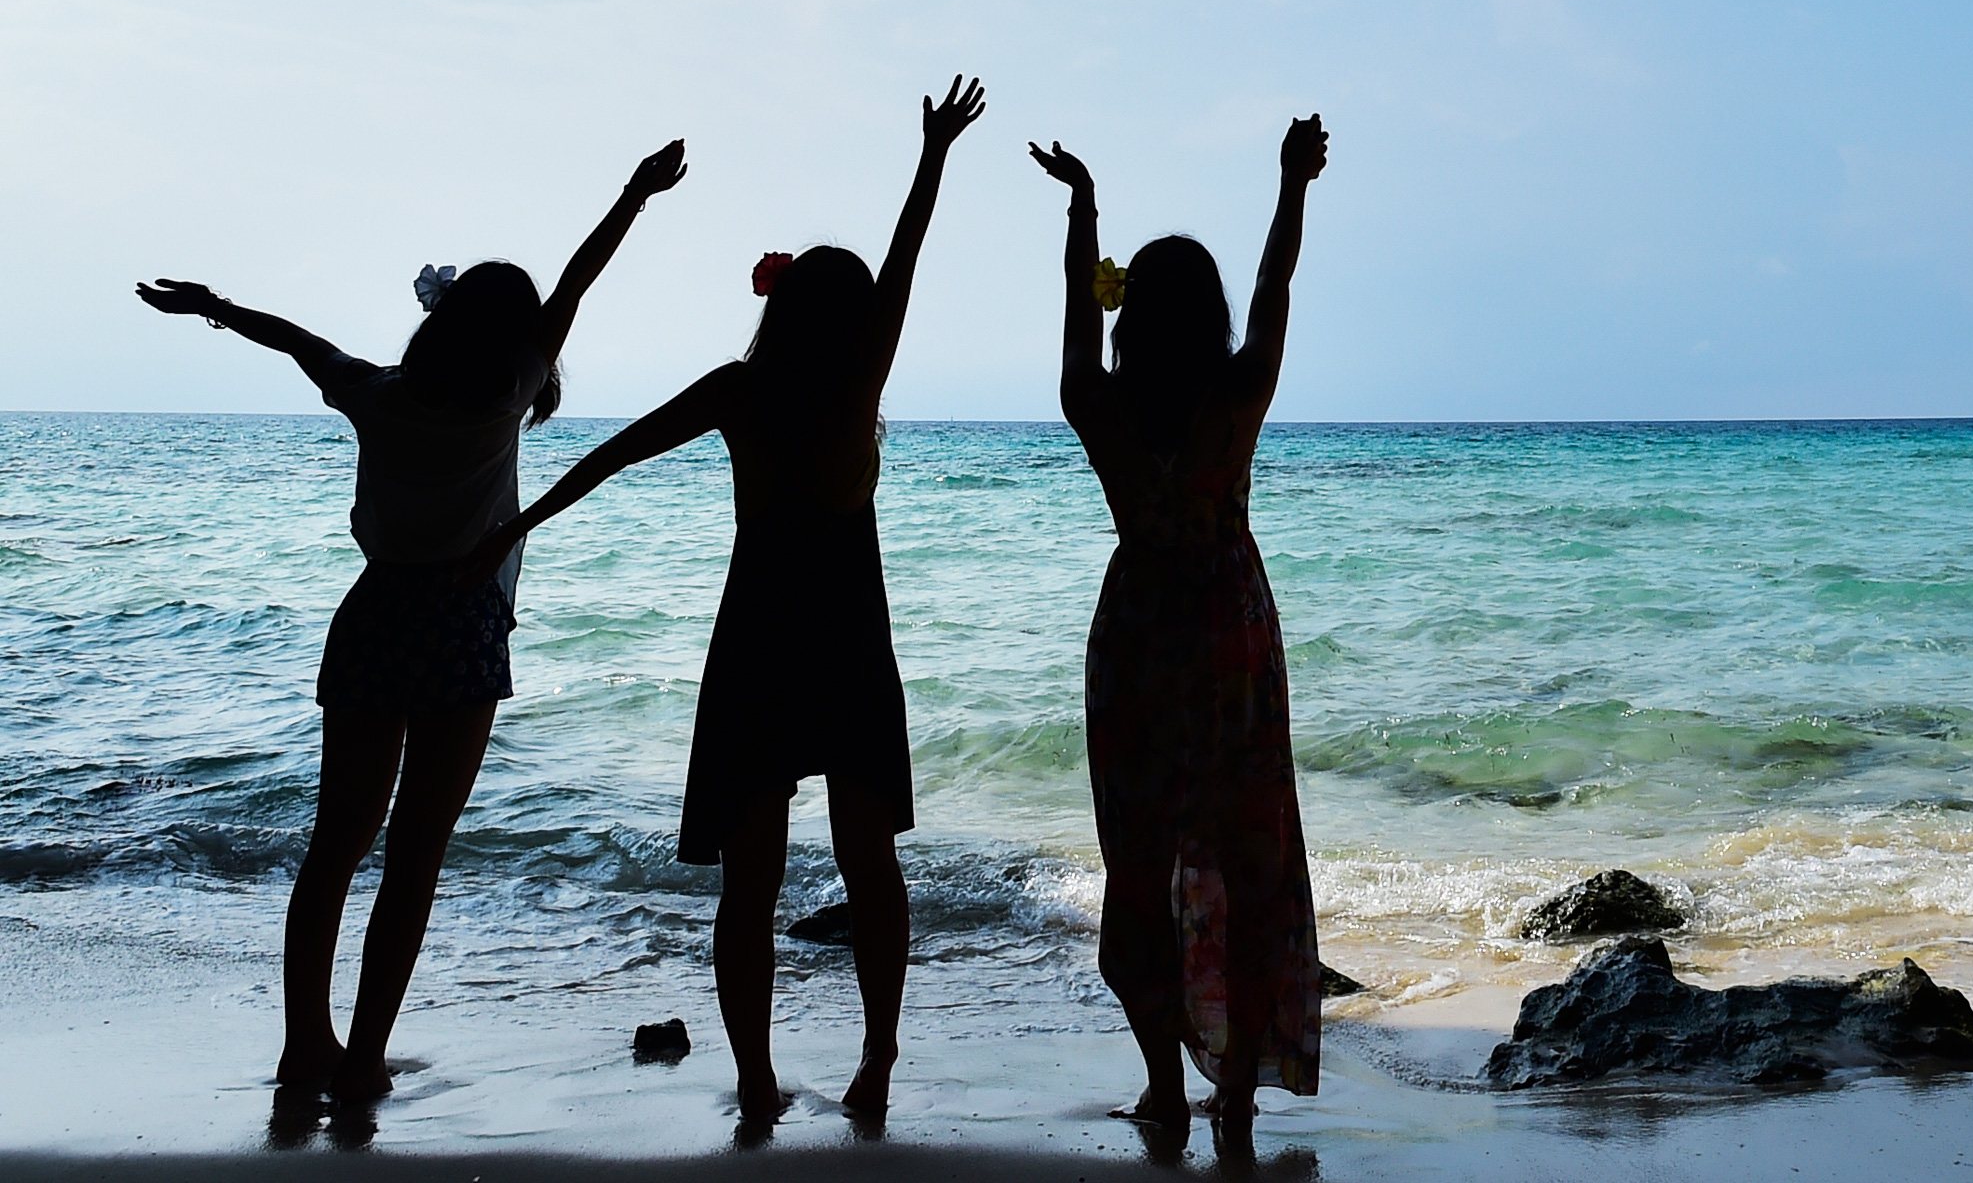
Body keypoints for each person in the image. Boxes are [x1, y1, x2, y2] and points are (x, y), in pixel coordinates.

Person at [458, 77, 985, 1124]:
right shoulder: (856, 385)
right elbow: (908, 259)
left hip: (758, 641)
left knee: (751, 879)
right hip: (847, 639)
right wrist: (933, 154)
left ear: (778, 311)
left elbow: (610, 455)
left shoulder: (739, 389)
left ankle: (756, 1075)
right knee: (868, 860)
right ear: (852, 320)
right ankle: (876, 1057)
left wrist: (517, 526)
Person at [134, 140, 690, 1100]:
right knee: (415, 855)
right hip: (460, 629)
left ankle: (301, 1043)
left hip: (374, 615)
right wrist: (636, 193)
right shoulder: (511, 395)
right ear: (517, 344)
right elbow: (577, 283)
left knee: (333, 846)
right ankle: (363, 1056)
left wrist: (210, 306)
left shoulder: (376, 393)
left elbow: (293, 337)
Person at [1027, 113, 1328, 1150]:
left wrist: (1082, 206)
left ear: (1131, 317)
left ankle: (1163, 1078)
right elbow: (1276, 290)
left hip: (1136, 637)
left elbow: (1073, 318)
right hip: (1229, 632)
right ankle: (1234, 1094)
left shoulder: (1094, 403)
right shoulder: (1237, 393)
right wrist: (1290, 184)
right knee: (1244, 868)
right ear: (1206, 318)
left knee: (1136, 869)